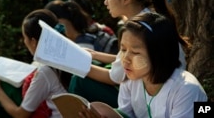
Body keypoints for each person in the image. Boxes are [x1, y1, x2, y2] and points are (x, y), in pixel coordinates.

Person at [79, 12, 207, 118]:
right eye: (123, 50)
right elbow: (125, 115)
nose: (125, 59)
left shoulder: (186, 89)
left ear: (158, 54)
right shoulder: (130, 78)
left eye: (135, 52)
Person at [82, 0, 188, 86]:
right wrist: (94, 55)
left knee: (80, 80)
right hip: (162, 89)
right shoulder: (147, 20)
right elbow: (123, 60)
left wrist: (76, 63)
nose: (105, 2)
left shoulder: (139, 29)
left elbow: (114, 77)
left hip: (161, 93)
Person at [0, 9, 68, 118]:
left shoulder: (45, 71)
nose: (24, 42)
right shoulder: (67, 57)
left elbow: (21, 114)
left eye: (24, 37)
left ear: (33, 42)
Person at [45, 0, 119, 107]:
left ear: (62, 22)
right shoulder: (90, 34)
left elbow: (113, 77)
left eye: (56, 27)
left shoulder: (84, 44)